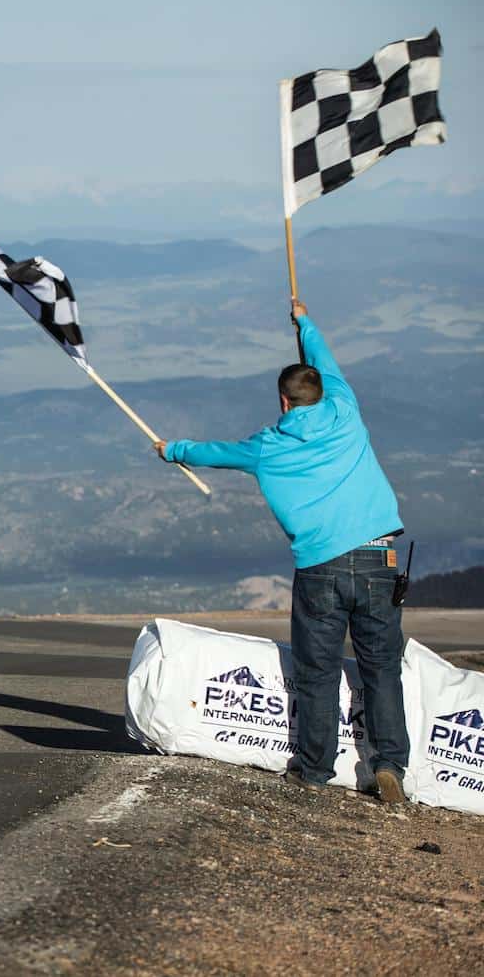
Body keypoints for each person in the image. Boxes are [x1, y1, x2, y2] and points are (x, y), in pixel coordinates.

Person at [154, 299, 407, 804]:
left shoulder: (268, 446)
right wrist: (306, 321)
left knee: (318, 671)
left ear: (285, 402)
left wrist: (172, 450)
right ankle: (390, 763)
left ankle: (315, 768)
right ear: (319, 392)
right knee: (381, 668)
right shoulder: (344, 408)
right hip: (381, 558)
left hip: (320, 568)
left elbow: (214, 452)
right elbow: (326, 363)